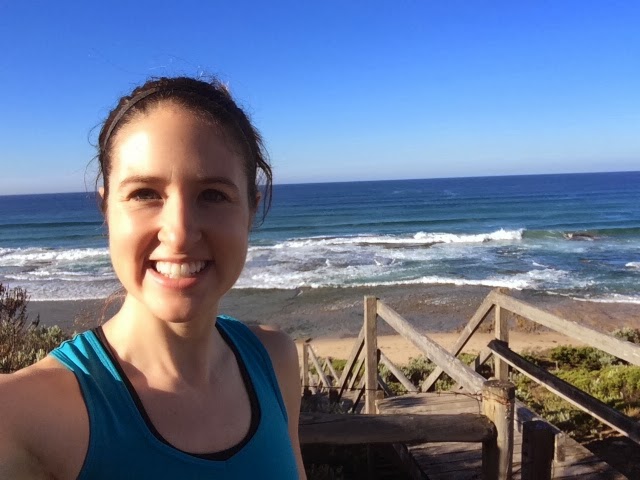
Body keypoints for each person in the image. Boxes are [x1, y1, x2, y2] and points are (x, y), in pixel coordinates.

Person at [0, 76, 306, 479]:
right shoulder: (23, 414)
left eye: (213, 195)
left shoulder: (274, 360)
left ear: (251, 211)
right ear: (107, 209)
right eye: (145, 193)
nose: (179, 234)